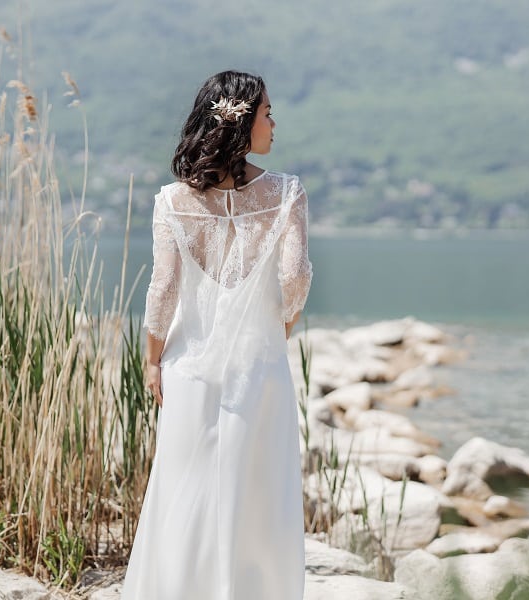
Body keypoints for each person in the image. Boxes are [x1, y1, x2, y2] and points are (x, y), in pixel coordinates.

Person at [120, 70, 313, 600]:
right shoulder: (285, 193)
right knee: (260, 499)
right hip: (261, 368)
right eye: (267, 112)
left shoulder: (172, 201)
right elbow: (293, 276)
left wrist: (152, 360)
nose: (274, 122)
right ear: (242, 122)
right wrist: (282, 323)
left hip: (190, 369)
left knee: (185, 496)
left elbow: (162, 289)